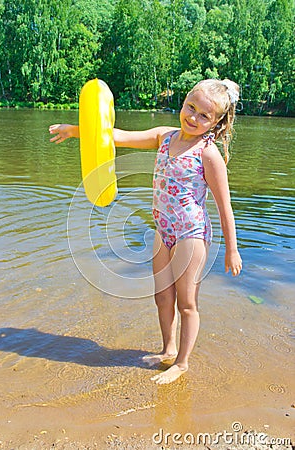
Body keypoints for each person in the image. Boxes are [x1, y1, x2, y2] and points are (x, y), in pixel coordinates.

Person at [49, 78, 242, 385]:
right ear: (183, 102)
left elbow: (224, 206)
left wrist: (231, 249)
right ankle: (168, 349)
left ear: (216, 122)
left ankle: (182, 363)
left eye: (203, 116)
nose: (193, 118)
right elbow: (115, 136)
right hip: (162, 230)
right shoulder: (163, 136)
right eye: (190, 107)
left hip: (191, 233)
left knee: (186, 302)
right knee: (162, 297)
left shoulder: (208, 154)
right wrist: (73, 131)